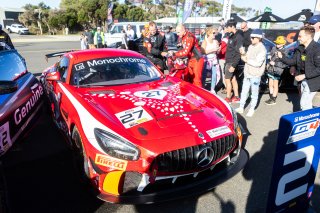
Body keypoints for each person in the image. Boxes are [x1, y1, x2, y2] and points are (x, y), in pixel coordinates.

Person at [278, 25, 320, 111]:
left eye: (300, 36)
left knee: (304, 104)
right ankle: (311, 119)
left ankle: (307, 121)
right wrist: (281, 57)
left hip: (313, 81)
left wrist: (304, 76)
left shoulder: (317, 48)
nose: (298, 38)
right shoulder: (300, 48)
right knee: (305, 103)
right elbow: (292, 61)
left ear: (308, 36)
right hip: (302, 80)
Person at [235, 29, 267, 117]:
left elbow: (258, 63)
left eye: (253, 38)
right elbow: (246, 57)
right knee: (244, 91)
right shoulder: (250, 46)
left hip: (255, 75)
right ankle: (241, 107)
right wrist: (243, 53)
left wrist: (246, 59)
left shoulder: (262, 49)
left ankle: (252, 108)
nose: (251, 39)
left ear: (259, 38)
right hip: (247, 73)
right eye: (251, 37)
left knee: (254, 93)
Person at [264, 36, 288, 105]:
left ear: (283, 44)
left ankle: (273, 99)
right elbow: (271, 56)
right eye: (277, 43)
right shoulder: (274, 48)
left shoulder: (285, 51)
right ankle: (271, 96)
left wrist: (275, 63)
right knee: (270, 83)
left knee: (275, 84)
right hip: (271, 68)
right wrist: (270, 59)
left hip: (277, 70)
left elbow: (285, 63)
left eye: (279, 43)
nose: (277, 45)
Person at [224, 19, 243, 103]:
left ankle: (228, 97)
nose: (227, 29)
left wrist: (233, 65)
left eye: (228, 27)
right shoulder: (232, 35)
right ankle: (236, 96)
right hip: (229, 61)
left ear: (232, 27)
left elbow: (238, 52)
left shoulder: (238, 36)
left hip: (232, 62)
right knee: (233, 79)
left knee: (227, 79)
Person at [201, 26, 220, 93]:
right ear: (209, 33)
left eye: (215, 33)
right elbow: (203, 51)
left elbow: (217, 52)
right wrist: (212, 50)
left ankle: (212, 89)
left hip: (214, 60)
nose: (215, 34)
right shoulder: (205, 41)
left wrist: (218, 50)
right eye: (213, 33)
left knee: (214, 75)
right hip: (207, 60)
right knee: (204, 75)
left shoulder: (216, 41)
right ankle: (202, 88)